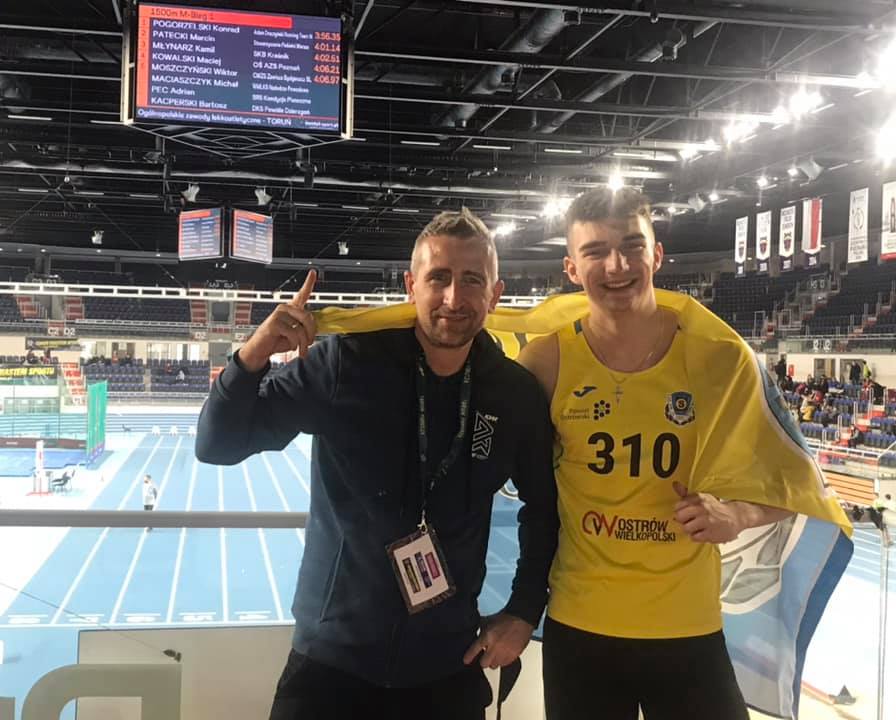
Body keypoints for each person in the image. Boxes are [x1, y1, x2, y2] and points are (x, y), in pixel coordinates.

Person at [195, 209, 558, 720]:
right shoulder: (347, 363)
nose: (454, 298)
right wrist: (253, 355)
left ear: (495, 295)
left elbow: (544, 509)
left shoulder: (514, 393)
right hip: (330, 666)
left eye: (472, 280)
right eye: (439, 277)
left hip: (447, 667)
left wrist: (523, 611)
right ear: (411, 286)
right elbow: (217, 444)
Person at [518, 187, 806, 720]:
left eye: (632, 246)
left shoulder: (721, 359)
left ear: (656, 254)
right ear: (572, 268)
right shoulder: (546, 362)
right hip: (581, 626)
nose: (617, 265)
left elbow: (797, 480)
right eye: (595, 251)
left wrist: (736, 515)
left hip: (688, 629)